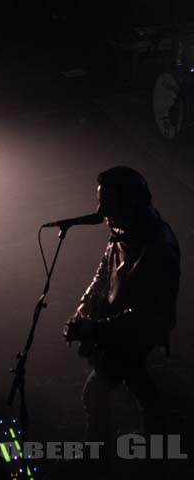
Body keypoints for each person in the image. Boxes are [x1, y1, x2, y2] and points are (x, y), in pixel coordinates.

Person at [66, 166, 180, 448]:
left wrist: (94, 328)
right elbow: (103, 272)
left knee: (152, 410)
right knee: (96, 394)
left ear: (130, 203)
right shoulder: (123, 231)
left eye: (106, 202)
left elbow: (145, 316)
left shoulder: (157, 247)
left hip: (145, 344)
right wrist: (84, 307)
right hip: (122, 338)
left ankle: (154, 461)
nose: (100, 210)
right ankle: (101, 457)